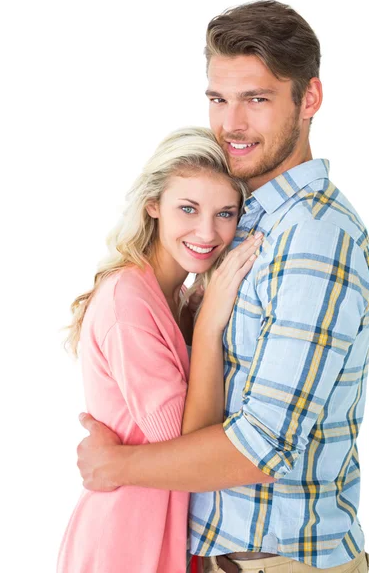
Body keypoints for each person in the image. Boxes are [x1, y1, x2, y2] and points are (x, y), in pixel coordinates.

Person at [76, 0, 369, 572]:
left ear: (309, 98)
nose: (231, 124)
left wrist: (117, 467)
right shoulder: (248, 221)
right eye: (219, 99)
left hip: (274, 564)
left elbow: (265, 446)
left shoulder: (312, 236)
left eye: (256, 99)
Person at [57, 126, 263, 573]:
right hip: (125, 543)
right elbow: (186, 450)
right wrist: (208, 330)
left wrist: (194, 320)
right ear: (153, 205)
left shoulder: (171, 297)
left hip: (161, 535)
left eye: (225, 213)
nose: (207, 232)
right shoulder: (128, 301)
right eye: (187, 208)